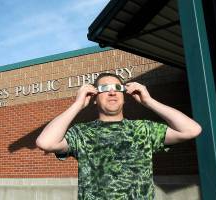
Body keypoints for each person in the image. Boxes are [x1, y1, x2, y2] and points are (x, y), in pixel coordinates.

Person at [36, 73, 202, 200]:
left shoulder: (143, 129)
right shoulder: (81, 133)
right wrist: (77, 104)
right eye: (104, 89)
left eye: (117, 88)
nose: (112, 93)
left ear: (124, 97)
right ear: (94, 98)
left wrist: (149, 101)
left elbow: (191, 130)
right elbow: (45, 142)